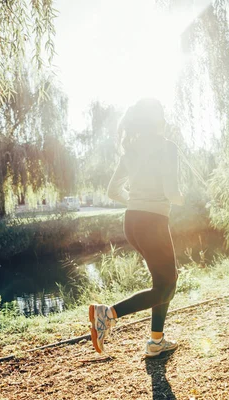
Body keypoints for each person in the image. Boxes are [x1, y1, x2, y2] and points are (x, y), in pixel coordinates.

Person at [89, 98, 184, 357]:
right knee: (167, 287)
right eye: (163, 112)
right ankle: (108, 314)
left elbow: (112, 190)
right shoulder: (168, 147)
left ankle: (156, 341)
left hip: (132, 221)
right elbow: (171, 192)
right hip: (153, 222)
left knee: (164, 281)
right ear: (157, 119)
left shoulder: (131, 151)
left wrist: (136, 201)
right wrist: (183, 198)